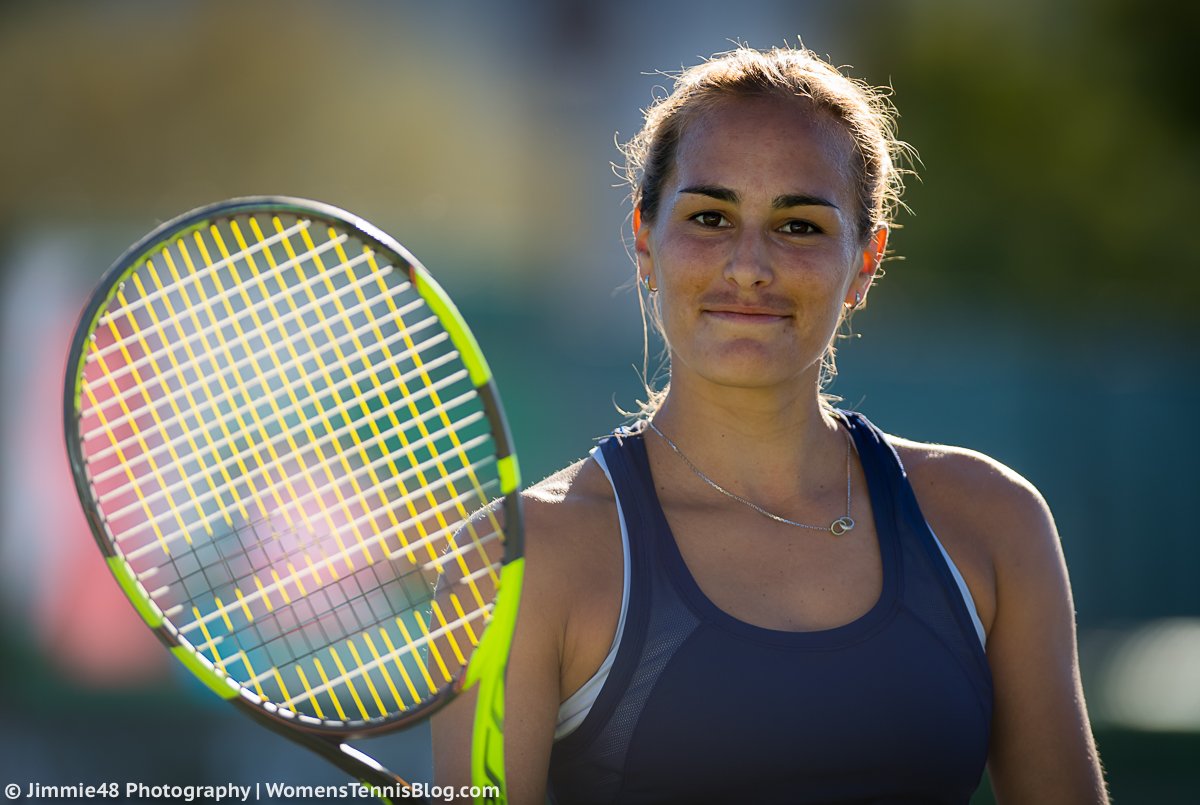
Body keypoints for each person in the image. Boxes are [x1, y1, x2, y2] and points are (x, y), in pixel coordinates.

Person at [433, 45, 1108, 804]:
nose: (749, 265)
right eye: (710, 217)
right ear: (645, 240)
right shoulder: (525, 558)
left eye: (801, 226)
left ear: (865, 263)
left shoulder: (993, 520)